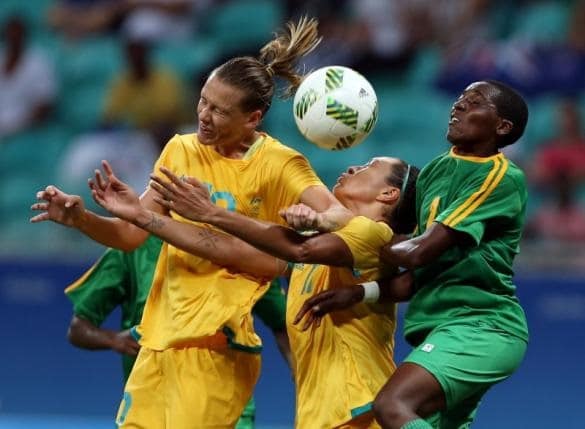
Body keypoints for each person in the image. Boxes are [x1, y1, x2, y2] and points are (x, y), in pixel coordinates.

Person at [31, 16, 350, 428]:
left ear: (253, 118)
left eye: (220, 110)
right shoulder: (179, 150)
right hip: (156, 342)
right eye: (203, 100)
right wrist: (82, 220)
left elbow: (339, 215)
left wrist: (315, 217)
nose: (203, 115)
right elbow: (131, 233)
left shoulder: (279, 164)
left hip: (214, 345)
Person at [293, 80, 530, 429]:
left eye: (474, 102)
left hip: (481, 325)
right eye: (459, 98)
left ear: (502, 127)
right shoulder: (435, 170)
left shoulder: (500, 177)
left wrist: (352, 227)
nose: (458, 106)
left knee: (392, 404)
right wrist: (359, 292)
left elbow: (419, 252)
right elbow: (412, 280)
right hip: (437, 330)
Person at [145, 156, 419, 428]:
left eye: (369, 166)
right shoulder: (318, 249)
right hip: (323, 416)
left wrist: (209, 212)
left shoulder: (376, 235)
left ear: (389, 193)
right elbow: (233, 250)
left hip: (356, 409)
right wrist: (141, 216)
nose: (352, 167)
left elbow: (299, 248)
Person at [65, 234, 292, 428]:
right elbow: (78, 328)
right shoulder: (133, 245)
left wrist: (303, 376)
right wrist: (114, 340)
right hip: (153, 400)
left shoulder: (239, 252)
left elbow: (281, 324)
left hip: (223, 402)